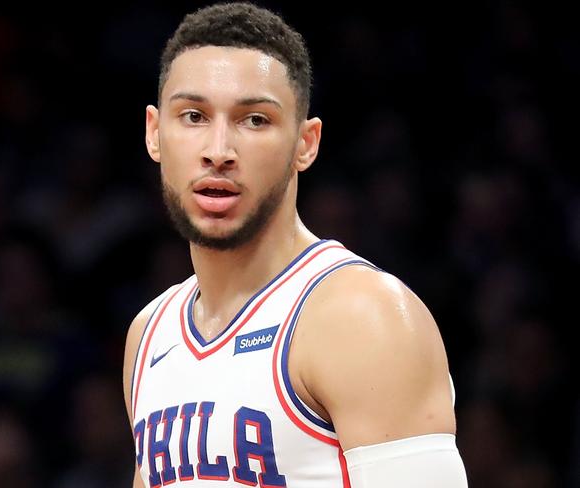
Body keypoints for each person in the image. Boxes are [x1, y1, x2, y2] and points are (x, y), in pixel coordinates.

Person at [122, 2, 467, 487]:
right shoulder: (149, 335)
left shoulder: (363, 316)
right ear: (155, 133)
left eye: (255, 120)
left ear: (306, 143)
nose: (218, 151)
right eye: (194, 116)